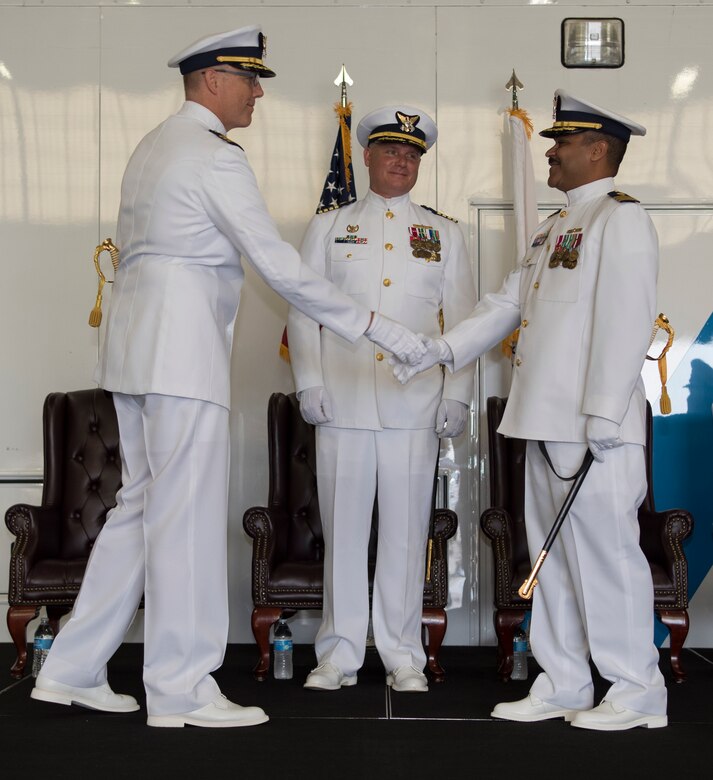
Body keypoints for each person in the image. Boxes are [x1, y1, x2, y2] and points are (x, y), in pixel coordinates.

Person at [30, 26, 425, 729]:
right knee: (179, 515)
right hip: (180, 355)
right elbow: (277, 264)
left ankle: (71, 669)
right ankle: (181, 688)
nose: (258, 92)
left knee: (139, 509)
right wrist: (377, 327)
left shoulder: (154, 144)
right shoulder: (214, 157)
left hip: (134, 352)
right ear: (213, 80)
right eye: (250, 79)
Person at [393, 90, 667, 730]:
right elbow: (503, 307)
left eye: (562, 142)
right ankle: (565, 681)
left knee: (606, 557)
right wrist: (437, 349)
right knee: (554, 559)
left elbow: (628, 321)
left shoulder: (618, 219)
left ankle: (636, 691)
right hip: (546, 420)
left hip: (593, 427)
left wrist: (603, 411)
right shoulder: (554, 227)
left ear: (597, 149)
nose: (550, 150)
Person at [287, 106, 475, 693]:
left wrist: (459, 393)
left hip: (413, 404)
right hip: (342, 399)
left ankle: (403, 655)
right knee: (342, 531)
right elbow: (302, 307)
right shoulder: (329, 225)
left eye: (413, 153)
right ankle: (339, 653)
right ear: (365, 155)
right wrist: (309, 381)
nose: (402, 160)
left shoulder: (445, 233)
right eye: (391, 150)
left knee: (404, 531)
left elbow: (465, 321)